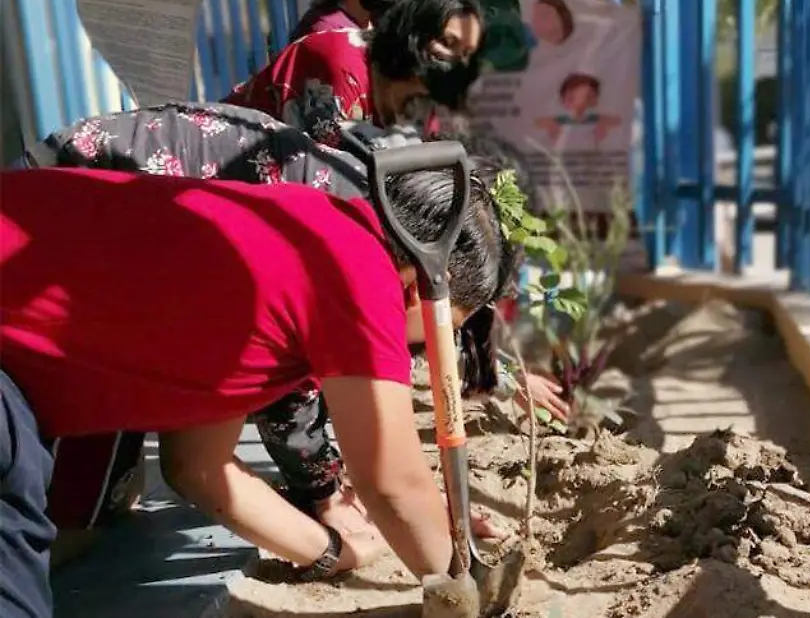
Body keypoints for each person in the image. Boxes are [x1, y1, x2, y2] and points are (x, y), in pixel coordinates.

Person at [18, 103, 569, 561]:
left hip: (38, 261)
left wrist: (332, 551)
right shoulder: (359, 274)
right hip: (23, 311)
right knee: (62, 532)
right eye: (442, 328)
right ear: (419, 286)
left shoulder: (312, 222)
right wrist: (458, 583)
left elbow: (197, 466)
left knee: (83, 516)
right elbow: (391, 482)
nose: (426, 348)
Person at [224, 0, 484, 148]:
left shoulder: (427, 100)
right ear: (414, 32)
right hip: (223, 169)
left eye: (466, 55)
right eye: (447, 43)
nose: (457, 62)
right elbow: (341, 172)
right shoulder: (342, 62)